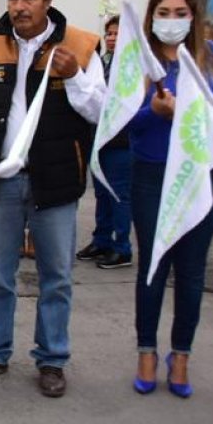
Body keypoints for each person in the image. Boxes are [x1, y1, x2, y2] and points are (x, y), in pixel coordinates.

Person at [0, 0, 105, 398]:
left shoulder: (79, 45)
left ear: (47, 1)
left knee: (55, 276)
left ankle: (52, 359)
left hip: (55, 178)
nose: (19, 7)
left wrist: (75, 74)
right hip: (1, 179)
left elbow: (100, 112)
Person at [127, 0, 213, 398]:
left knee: (191, 272)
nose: (171, 20)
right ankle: (146, 352)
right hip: (152, 174)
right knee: (153, 269)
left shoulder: (208, 57)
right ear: (151, 15)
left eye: (180, 12)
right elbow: (120, 119)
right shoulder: (137, 61)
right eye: (164, 11)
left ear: (193, 16)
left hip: (200, 175)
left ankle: (181, 356)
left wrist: (195, 111)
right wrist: (153, 111)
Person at [76, 15, 134, 268]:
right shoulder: (103, 63)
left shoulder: (133, 68)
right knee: (101, 193)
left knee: (119, 194)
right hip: (98, 139)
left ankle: (122, 247)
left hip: (121, 141)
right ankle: (102, 240)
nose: (111, 38)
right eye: (109, 33)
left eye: (117, 33)